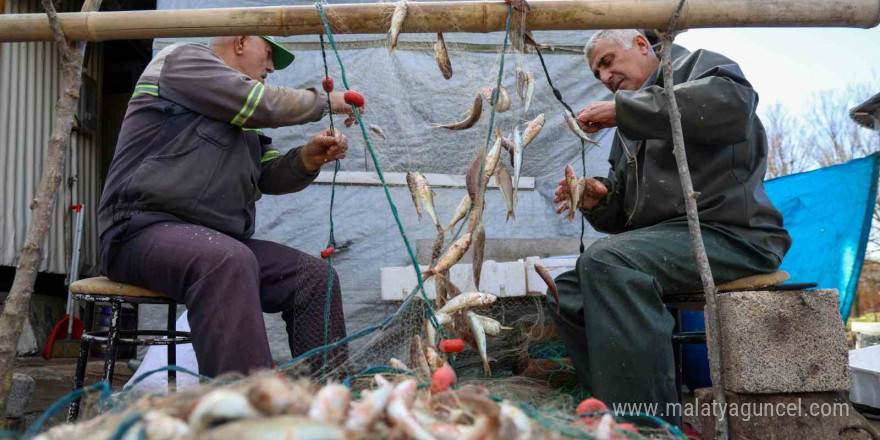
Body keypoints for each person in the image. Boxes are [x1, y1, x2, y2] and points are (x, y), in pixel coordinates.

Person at [550, 29, 791, 423]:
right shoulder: (628, 128)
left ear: (642, 46)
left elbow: (733, 106)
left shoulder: (696, 67)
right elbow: (626, 217)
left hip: (733, 234)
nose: (606, 77)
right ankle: (619, 407)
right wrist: (599, 198)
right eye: (598, 74)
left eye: (609, 61)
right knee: (565, 295)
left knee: (607, 263)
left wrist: (623, 111)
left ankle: (648, 427)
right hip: (671, 243)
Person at [97, 35, 363, 377]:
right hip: (139, 232)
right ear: (240, 42)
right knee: (228, 259)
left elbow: (269, 175)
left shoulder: (242, 118)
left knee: (313, 278)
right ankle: (246, 413)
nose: (270, 68)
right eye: (268, 55)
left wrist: (307, 158)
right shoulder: (183, 59)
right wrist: (325, 100)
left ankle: (329, 404)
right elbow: (260, 103)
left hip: (212, 245)